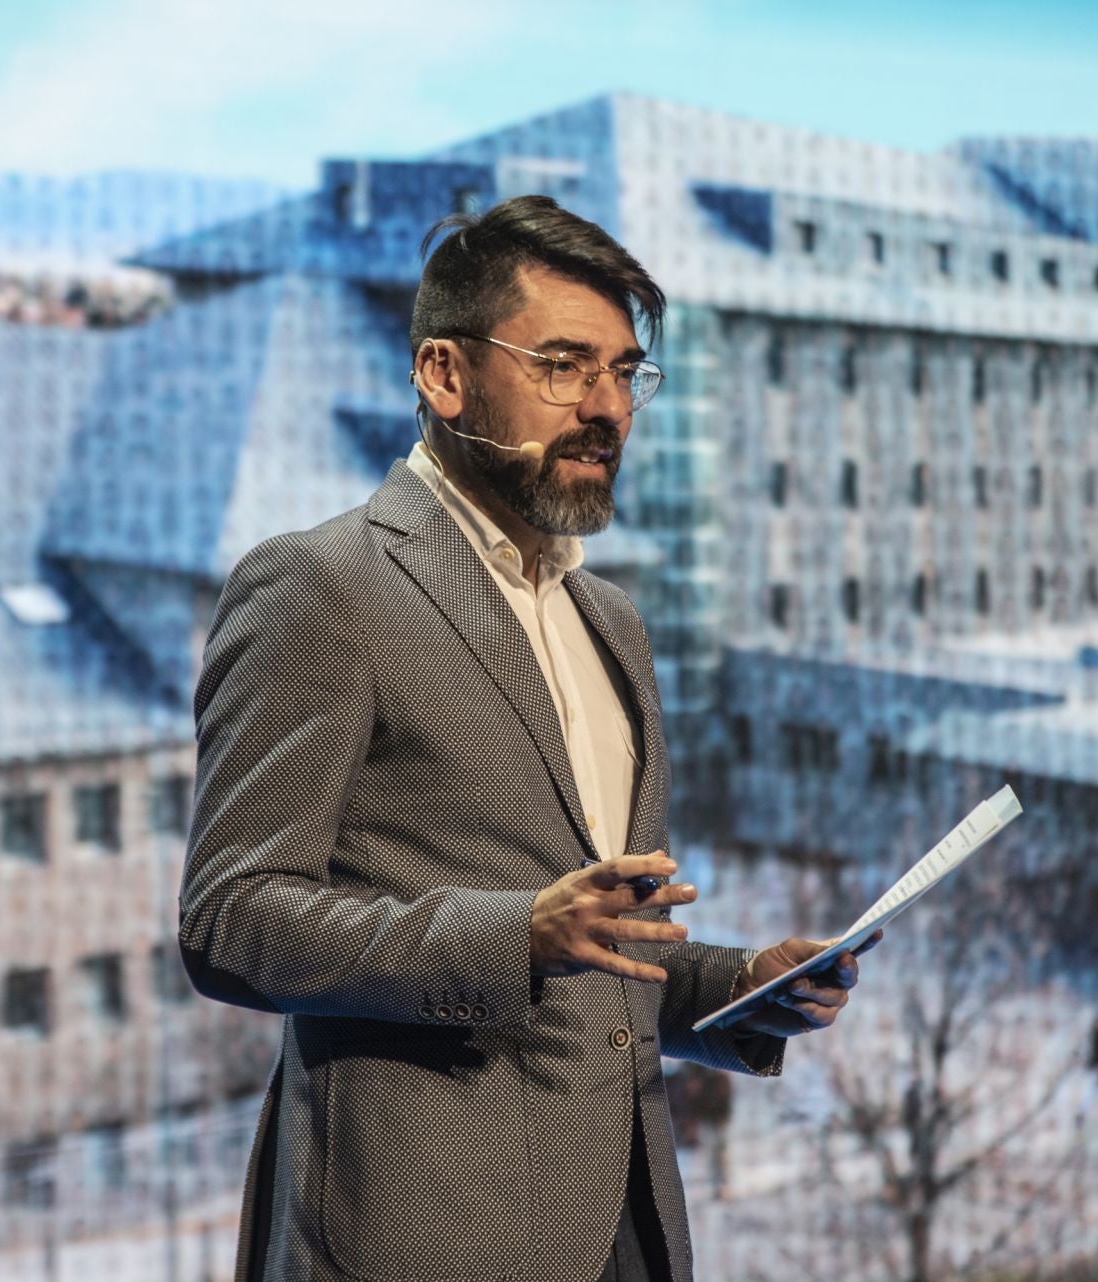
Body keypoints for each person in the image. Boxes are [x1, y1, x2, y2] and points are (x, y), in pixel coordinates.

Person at [180, 194, 878, 1282]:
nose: (605, 408)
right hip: (418, 1238)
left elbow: (588, 943)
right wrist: (514, 937)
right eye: (562, 365)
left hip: (626, 1230)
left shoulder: (613, 624)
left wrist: (740, 985)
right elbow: (231, 920)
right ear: (445, 376)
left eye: (625, 373)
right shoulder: (320, 587)